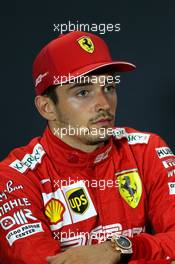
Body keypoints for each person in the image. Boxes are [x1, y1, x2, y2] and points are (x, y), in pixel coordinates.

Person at [0, 31, 175, 264]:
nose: (104, 104)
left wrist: (119, 249)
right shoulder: (14, 177)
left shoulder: (147, 150)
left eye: (109, 87)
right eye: (83, 92)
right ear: (46, 107)